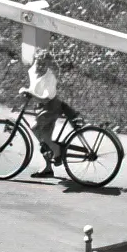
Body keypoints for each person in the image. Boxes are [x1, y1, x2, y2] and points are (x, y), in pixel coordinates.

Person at [20, 48, 74, 179]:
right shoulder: (33, 69)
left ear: (48, 65)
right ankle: (48, 167)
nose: (40, 65)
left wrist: (30, 92)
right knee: (45, 139)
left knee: (36, 129)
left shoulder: (50, 78)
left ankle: (57, 151)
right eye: (38, 62)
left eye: (44, 63)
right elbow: (33, 85)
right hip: (41, 107)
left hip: (50, 107)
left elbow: (45, 98)